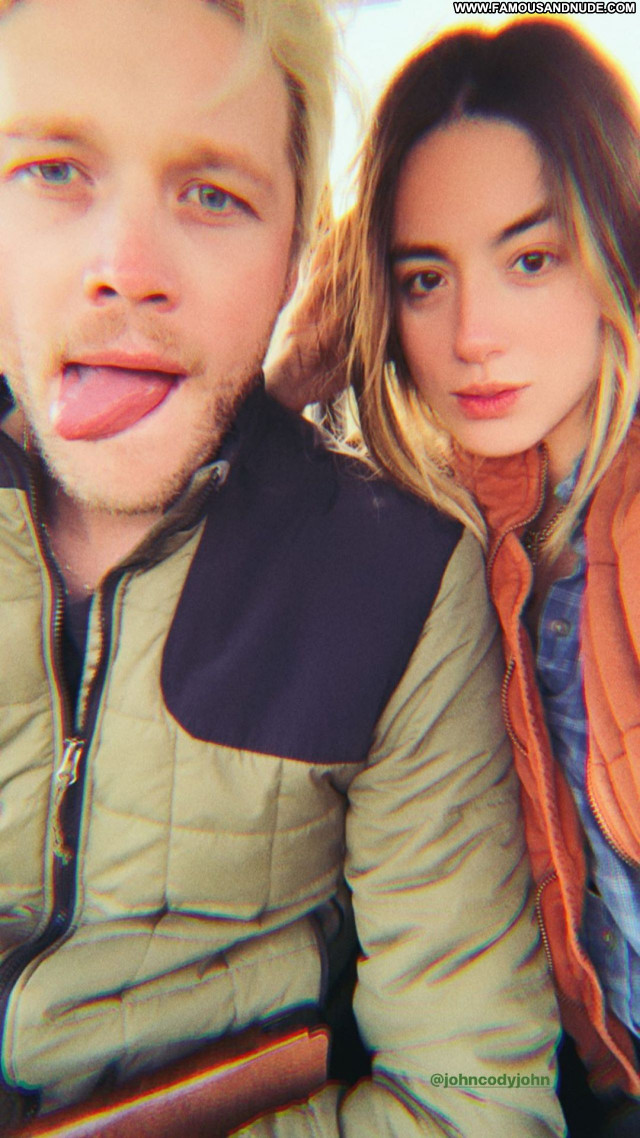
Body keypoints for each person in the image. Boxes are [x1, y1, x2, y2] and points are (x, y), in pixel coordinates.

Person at [0, 1, 564, 1134]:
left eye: (213, 194)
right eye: (53, 170)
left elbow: (483, 1097)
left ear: (296, 256)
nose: (125, 271)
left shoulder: (397, 580)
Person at [270, 15, 640, 1137]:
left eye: (530, 259)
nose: (473, 334)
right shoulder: (466, 526)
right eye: (426, 278)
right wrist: (285, 377)